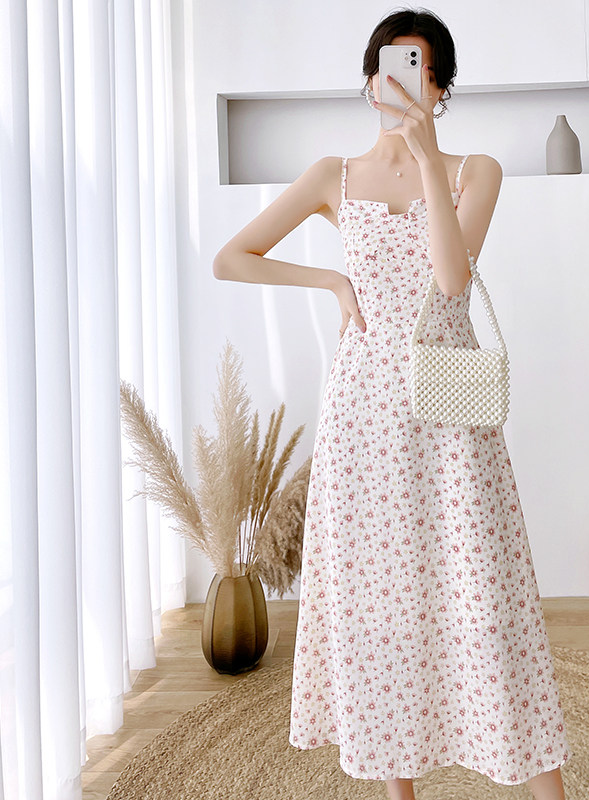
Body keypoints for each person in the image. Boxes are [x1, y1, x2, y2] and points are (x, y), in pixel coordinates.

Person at [213, 9, 571, 800]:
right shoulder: (331, 176)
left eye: (421, 69)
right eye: (390, 67)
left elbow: (451, 280)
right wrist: (331, 281)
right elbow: (231, 258)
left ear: (440, 88)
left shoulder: (477, 170)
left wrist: (428, 160)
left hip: (450, 410)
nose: (404, 82)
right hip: (364, 415)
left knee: (486, 596)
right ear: (370, 82)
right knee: (378, 604)